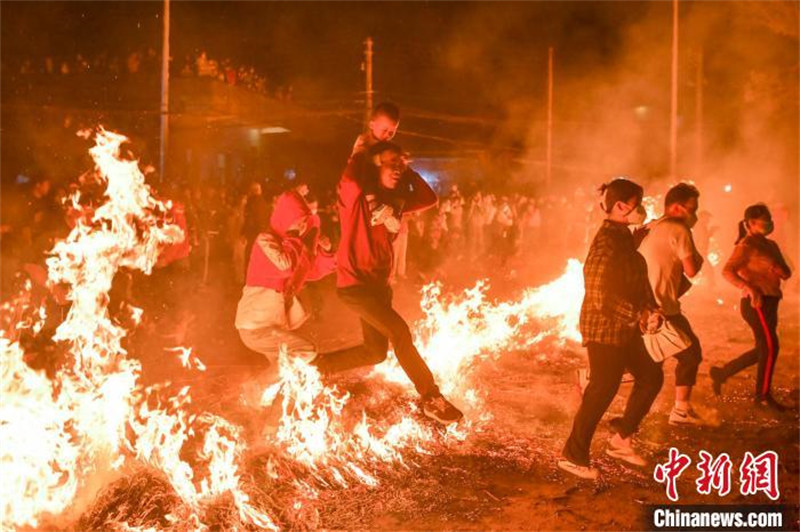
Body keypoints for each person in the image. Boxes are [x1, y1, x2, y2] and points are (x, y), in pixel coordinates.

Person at [312, 141, 463, 424]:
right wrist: (359, 153)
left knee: (375, 352)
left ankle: (317, 367)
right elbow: (348, 180)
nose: (397, 168)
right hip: (354, 286)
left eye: (401, 163)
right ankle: (431, 398)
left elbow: (429, 197)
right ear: (376, 163)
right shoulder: (357, 198)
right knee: (401, 334)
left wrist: (404, 172)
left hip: (379, 287)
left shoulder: (397, 201)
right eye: (391, 162)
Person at [560, 178, 664, 480]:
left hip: (625, 327)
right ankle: (572, 455)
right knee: (602, 389)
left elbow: (634, 275)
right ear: (620, 206)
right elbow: (598, 293)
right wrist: (637, 315)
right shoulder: (606, 242)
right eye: (637, 203)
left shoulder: (622, 237)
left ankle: (621, 439)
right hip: (604, 328)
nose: (642, 209)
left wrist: (650, 307)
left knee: (650, 376)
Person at [235, 191, 336, 383]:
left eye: (304, 220)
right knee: (305, 351)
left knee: (285, 371)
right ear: (285, 217)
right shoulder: (265, 240)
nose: (302, 225)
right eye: (298, 220)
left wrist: (326, 251)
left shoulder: (292, 244)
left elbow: (310, 271)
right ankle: (253, 390)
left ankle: (262, 407)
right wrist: (294, 237)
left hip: (271, 324)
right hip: (255, 327)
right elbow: (285, 266)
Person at [710, 204, 792, 411]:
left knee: (763, 349)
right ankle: (762, 396)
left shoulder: (771, 245)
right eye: (764, 221)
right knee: (771, 346)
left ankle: (722, 373)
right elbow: (727, 271)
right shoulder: (746, 246)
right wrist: (747, 287)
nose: (769, 224)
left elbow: (786, 273)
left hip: (772, 300)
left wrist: (777, 268)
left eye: (769, 219)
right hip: (756, 303)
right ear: (750, 224)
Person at [638, 183, 705, 425]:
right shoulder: (679, 230)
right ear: (677, 207)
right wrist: (701, 257)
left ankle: (590, 380)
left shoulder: (653, 225)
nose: (694, 214)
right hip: (661, 307)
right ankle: (680, 411)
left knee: (647, 360)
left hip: (645, 303)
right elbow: (692, 269)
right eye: (692, 209)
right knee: (691, 354)